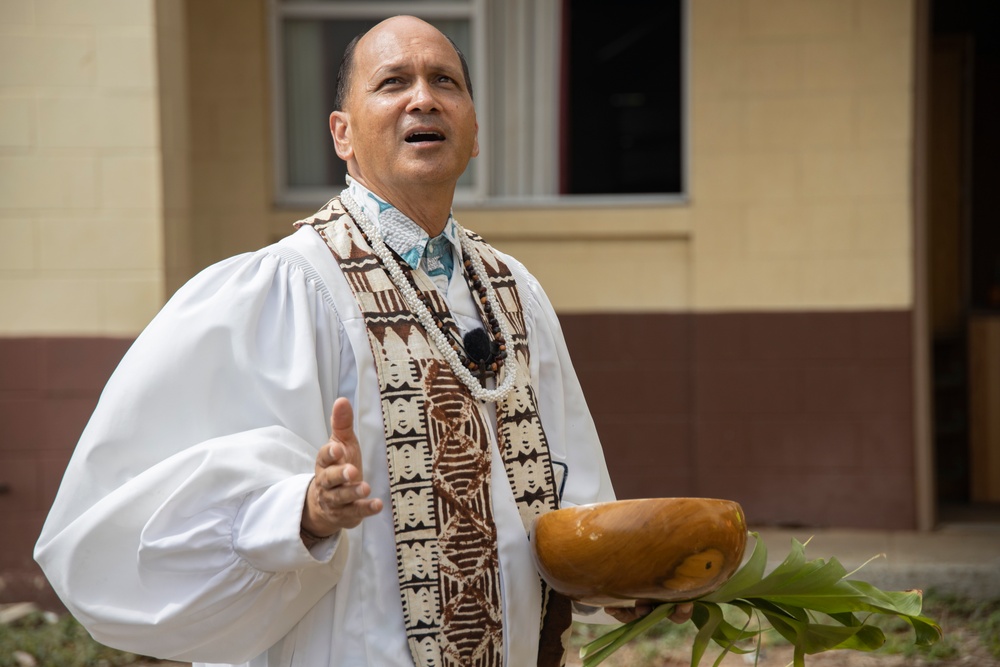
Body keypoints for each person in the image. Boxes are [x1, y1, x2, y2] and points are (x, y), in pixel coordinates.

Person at [35, 15, 689, 667]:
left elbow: (569, 502)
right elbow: (144, 515)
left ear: (475, 131)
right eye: (392, 82)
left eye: (445, 82)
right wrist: (306, 509)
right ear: (342, 134)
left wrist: (625, 579)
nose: (424, 97)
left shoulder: (514, 291)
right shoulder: (287, 289)